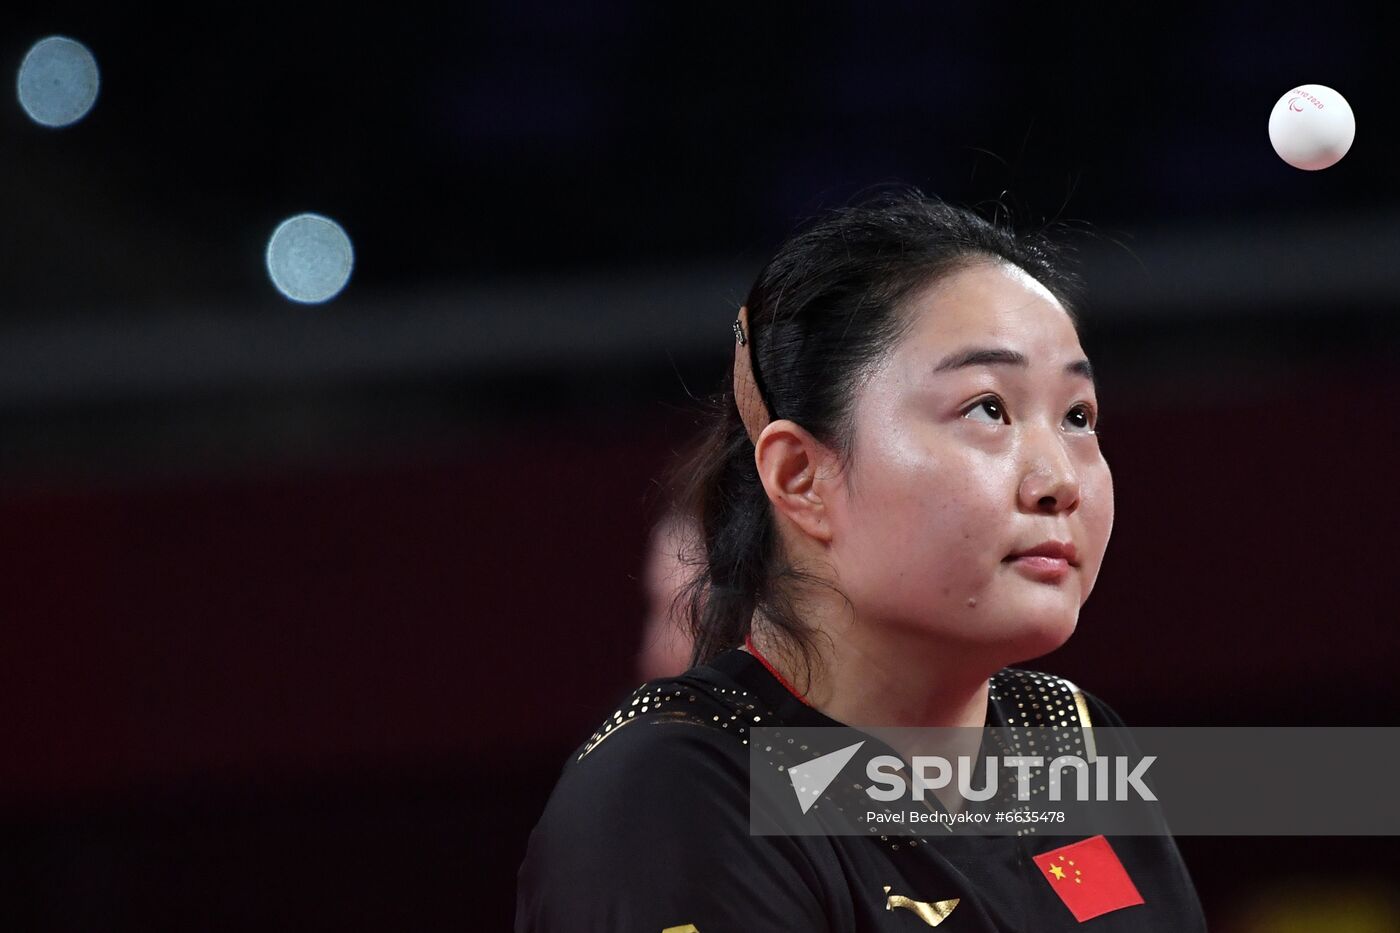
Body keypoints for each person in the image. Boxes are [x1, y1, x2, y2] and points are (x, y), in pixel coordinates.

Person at [516, 189, 1206, 931]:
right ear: (802, 478)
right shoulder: (679, 795)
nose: (1060, 481)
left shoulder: (1065, 738)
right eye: (988, 408)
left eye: (1077, 416)